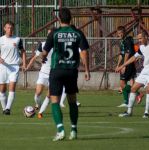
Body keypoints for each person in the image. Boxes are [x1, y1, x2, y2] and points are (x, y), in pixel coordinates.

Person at [41, 7, 90, 141]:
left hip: (57, 70)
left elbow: (44, 52)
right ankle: (73, 130)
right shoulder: (78, 33)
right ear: (71, 18)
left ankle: (60, 130)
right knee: (72, 100)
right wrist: (86, 70)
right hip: (71, 71)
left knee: (55, 100)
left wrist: (43, 58)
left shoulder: (54, 33)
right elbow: (84, 52)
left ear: (59, 19)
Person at [117, 31, 149, 118]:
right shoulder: (142, 47)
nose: (139, 40)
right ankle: (129, 112)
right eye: (138, 39)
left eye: (140, 38)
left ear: (146, 37)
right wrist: (122, 66)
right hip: (145, 71)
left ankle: (146, 112)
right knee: (133, 89)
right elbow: (134, 57)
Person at [0, 21, 26, 115]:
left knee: (12, 87)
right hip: (3, 67)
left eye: (11, 28)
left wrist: (24, 64)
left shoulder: (18, 39)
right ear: (4, 28)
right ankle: (4, 108)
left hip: (14, 67)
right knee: (2, 89)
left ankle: (7, 109)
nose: (10, 29)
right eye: (8, 28)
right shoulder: (1, 40)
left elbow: (23, 51)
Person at [26, 30, 52, 119]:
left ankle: (40, 112)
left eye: (50, 33)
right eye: (48, 33)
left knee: (49, 95)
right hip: (43, 73)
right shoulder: (43, 44)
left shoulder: (59, 46)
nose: (48, 35)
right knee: (38, 93)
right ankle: (38, 104)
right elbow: (35, 57)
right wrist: (27, 67)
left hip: (54, 74)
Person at [115, 26, 137, 107]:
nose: (120, 34)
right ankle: (127, 101)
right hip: (126, 63)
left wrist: (124, 66)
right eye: (119, 33)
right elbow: (122, 54)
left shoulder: (127, 40)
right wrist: (118, 65)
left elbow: (127, 54)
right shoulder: (122, 41)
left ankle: (137, 94)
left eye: (121, 33)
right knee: (125, 83)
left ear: (124, 32)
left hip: (128, 63)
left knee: (122, 83)